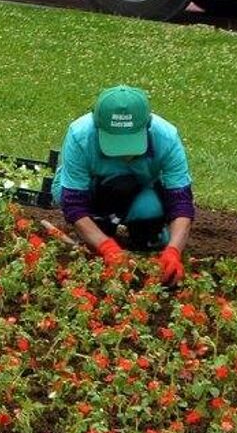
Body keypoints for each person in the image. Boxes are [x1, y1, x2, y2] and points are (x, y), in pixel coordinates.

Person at [55, 85, 193, 284]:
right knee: (98, 231)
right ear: (98, 127)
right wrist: (105, 246)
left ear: (147, 127)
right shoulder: (80, 135)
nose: (124, 154)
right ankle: (103, 225)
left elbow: (181, 202)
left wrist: (173, 250)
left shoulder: (166, 137)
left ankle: (140, 227)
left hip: (141, 188)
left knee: (151, 231)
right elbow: (74, 203)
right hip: (94, 189)